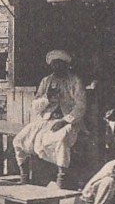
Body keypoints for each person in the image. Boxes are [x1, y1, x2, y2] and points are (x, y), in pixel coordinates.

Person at [13, 49, 86, 188]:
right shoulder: (46, 81)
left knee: (61, 139)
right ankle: (24, 176)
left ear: (66, 65)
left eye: (60, 64)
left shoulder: (75, 81)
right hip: (45, 120)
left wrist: (65, 121)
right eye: (54, 64)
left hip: (67, 121)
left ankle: (61, 178)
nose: (57, 67)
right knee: (20, 139)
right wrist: (47, 98)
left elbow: (81, 106)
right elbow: (35, 106)